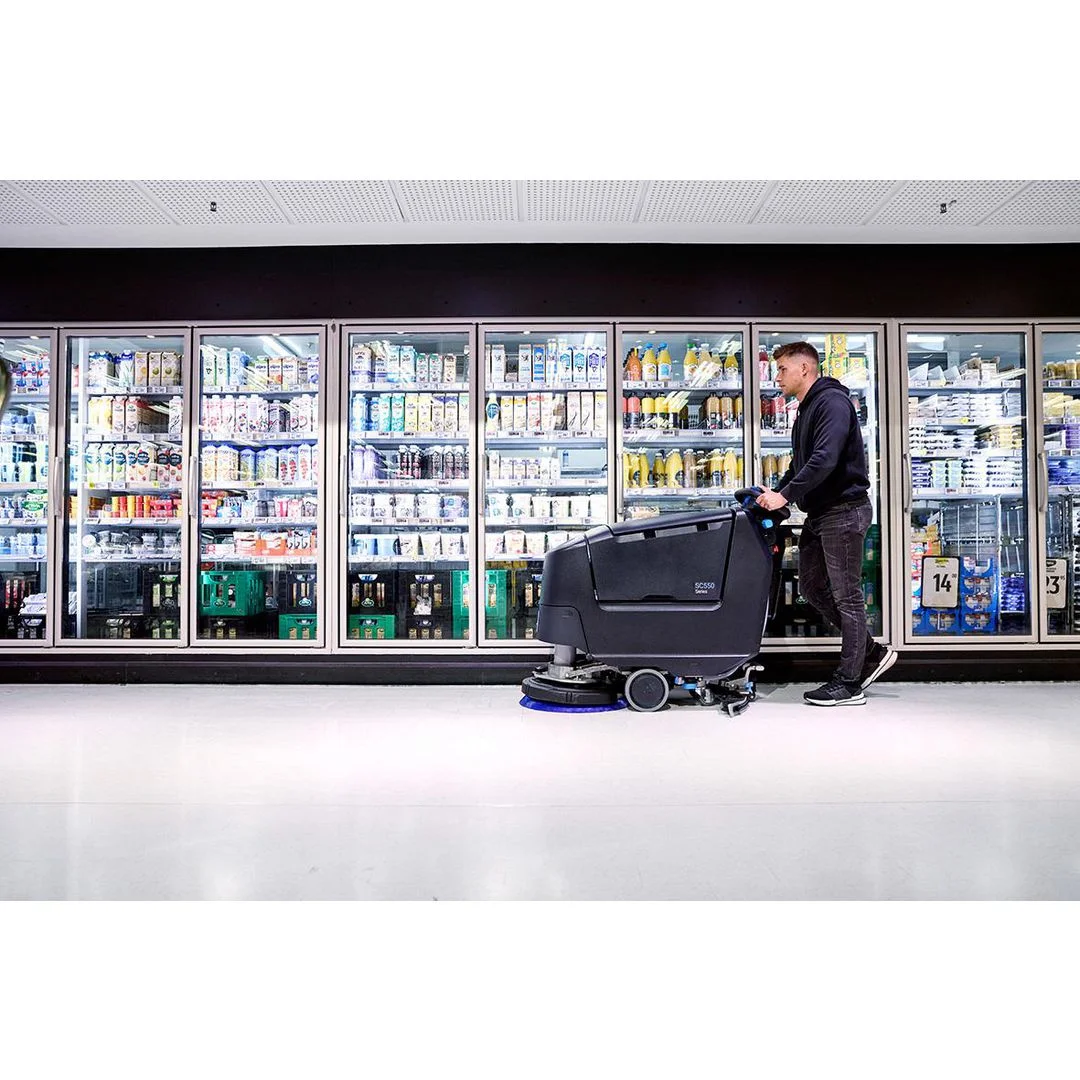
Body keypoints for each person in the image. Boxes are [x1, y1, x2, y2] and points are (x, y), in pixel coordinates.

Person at [756, 342, 896, 706]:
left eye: (782, 369)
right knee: (813, 587)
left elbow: (825, 459)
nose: (777, 377)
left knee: (847, 596)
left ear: (804, 368)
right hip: (821, 513)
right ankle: (870, 652)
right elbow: (800, 464)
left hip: (843, 510)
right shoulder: (806, 409)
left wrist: (785, 497)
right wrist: (777, 493)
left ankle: (849, 683)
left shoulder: (832, 403)